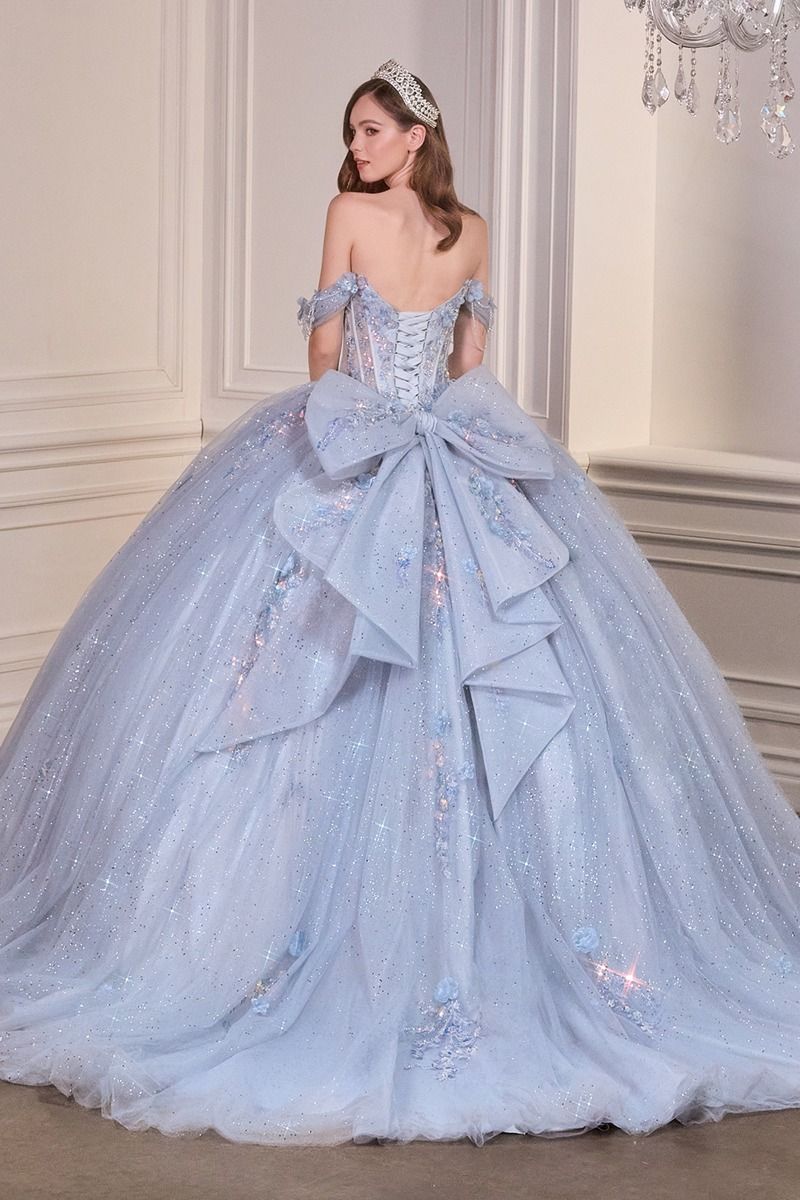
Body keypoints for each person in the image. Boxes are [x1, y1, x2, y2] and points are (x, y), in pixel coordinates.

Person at [1, 57, 799, 1149]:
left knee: (293, 664)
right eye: (353, 133)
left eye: (372, 130)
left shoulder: (347, 215)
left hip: (362, 447)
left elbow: (325, 360)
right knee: (508, 663)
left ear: (415, 136)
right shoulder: (471, 233)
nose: (357, 148)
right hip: (458, 456)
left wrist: (360, 426)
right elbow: (470, 366)